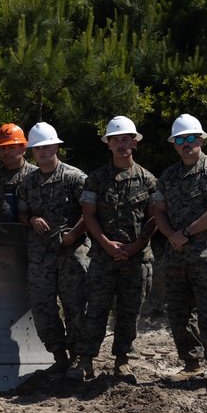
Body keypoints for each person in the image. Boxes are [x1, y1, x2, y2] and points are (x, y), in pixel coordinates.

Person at [67, 117, 158, 384]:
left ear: (135, 142)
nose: (121, 144)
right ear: (108, 144)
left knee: (129, 312)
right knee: (95, 309)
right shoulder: (95, 180)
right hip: (102, 258)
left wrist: (134, 246)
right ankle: (85, 361)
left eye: (126, 139)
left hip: (137, 257)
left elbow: (155, 218)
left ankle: (122, 362)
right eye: (115, 140)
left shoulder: (149, 180)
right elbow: (89, 215)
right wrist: (107, 244)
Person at [152, 114, 207, 392]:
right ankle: (191, 365)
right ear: (175, 145)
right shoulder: (169, 176)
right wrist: (170, 236)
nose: (186, 144)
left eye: (190, 138)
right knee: (178, 313)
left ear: (200, 139)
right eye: (180, 140)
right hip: (176, 256)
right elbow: (159, 211)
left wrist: (185, 233)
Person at [17, 122, 90, 375]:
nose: (42, 152)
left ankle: (81, 358)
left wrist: (73, 234)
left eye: (47, 147)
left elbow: (90, 212)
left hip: (72, 252)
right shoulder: (28, 181)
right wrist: (31, 220)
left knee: (75, 304)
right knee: (42, 306)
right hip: (40, 254)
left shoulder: (75, 177)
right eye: (37, 149)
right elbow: (22, 212)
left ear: (56, 147)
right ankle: (58, 356)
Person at [0, 124, 37, 222]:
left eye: (11, 147)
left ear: (23, 149)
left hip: (27, 234)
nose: (7, 152)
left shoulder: (35, 175)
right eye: (3, 148)